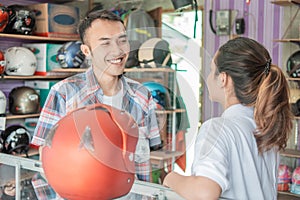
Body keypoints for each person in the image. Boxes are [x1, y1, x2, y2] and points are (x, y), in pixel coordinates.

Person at [31, 9, 162, 199]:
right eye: (105, 43)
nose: (117, 51)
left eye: (122, 40)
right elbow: (45, 159)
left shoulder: (142, 95)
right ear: (86, 51)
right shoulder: (64, 93)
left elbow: (145, 157)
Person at [163, 37, 293, 199]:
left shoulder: (217, 128)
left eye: (212, 70)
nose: (209, 77)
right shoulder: (265, 129)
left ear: (223, 79)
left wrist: (171, 177)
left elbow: (204, 192)